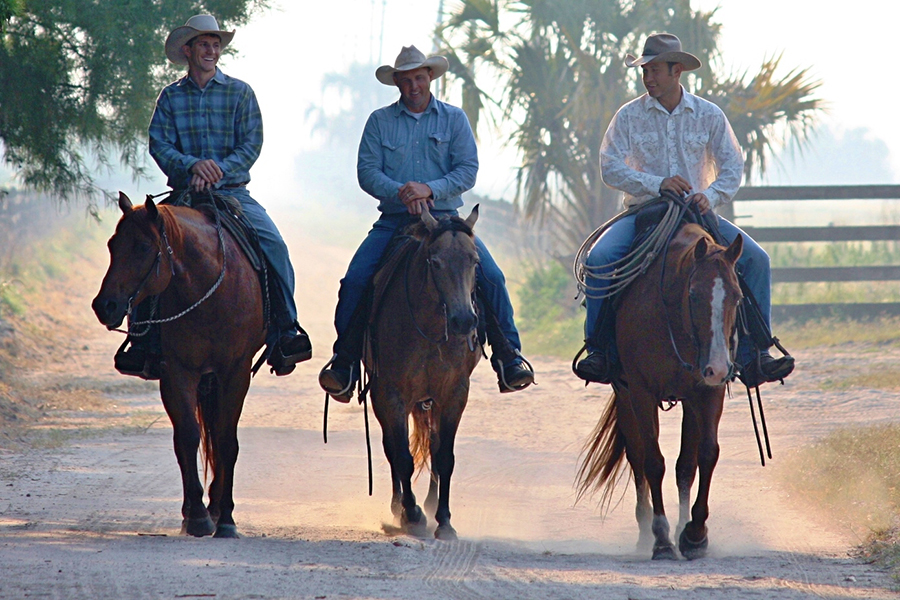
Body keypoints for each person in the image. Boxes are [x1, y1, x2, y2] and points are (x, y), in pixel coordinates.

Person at [575, 32, 794, 387]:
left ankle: (756, 353)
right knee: (600, 260)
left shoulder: (709, 115)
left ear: (677, 70)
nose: (648, 78)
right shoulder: (628, 116)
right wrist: (657, 183)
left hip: (697, 212)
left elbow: (731, 165)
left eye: (654, 70)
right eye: (644, 71)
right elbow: (609, 167)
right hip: (644, 213)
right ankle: (599, 350)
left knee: (757, 261)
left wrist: (712, 194)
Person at [318, 45, 534, 401]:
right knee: (355, 280)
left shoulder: (454, 119)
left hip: (447, 222)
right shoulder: (379, 121)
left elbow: (467, 169)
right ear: (398, 83)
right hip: (395, 220)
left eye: (419, 78)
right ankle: (346, 362)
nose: (413, 86)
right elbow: (368, 172)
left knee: (491, 277)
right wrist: (402, 192)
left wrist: (429, 189)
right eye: (406, 80)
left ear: (430, 78)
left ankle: (508, 357)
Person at [114, 14, 312, 379]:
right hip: (184, 195)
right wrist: (192, 167)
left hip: (233, 194)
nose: (211, 50)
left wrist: (218, 170)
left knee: (274, 246)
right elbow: (159, 143)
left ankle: (285, 330)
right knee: (147, 245)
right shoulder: (170, 97)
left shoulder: (240, 92)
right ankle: (141, 339)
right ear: (188, 50)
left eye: (215, 44)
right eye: (204, 44)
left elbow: (251, 144)